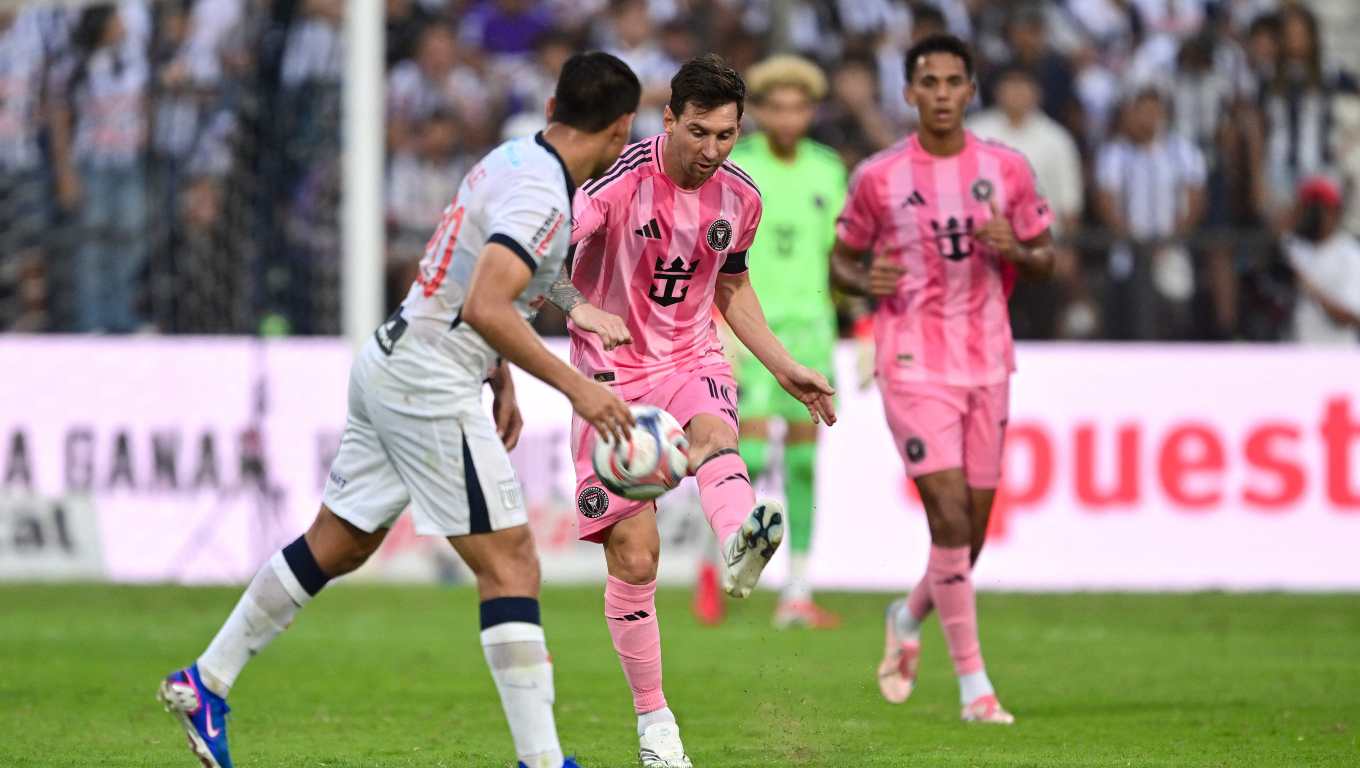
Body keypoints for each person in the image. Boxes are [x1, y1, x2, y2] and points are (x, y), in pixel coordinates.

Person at [156, 52, 643, 768]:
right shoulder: (545, 195)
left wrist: (502, 367)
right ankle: (543, 762)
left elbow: (476, 270)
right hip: (428, 382)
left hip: (394, 356)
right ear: (623, 128)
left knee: (342, 540)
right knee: (511, 564)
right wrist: (578, 387)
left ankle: (207, 679)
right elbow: (485, 302)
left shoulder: (511, 158)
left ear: (552, 109)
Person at [544, 54, 836, 767]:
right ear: (667, 119)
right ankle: (655, 723)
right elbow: (540, 255)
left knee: (714, 429)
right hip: (609, 378)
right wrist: (581, 306)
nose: (711, 152)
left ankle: (740, 540)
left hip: (690, 357)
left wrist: (782, 364)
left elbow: (731, 288)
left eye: (727, 136)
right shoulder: (615, 183)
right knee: (636, 558)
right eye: (699, 132)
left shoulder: (741, 198)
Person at [830, 34, 1055, 724]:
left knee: (972, 534)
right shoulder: (878, 175)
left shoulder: (1008, 169)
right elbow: (839, 261)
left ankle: (908, 614)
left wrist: (1016, 249)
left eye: (954, 81)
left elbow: (1047, 255)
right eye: (928, 82)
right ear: (909, 93)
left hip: (988, 359)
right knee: (949, 516)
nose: (942, 94)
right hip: (910, 359)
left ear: (970, 89)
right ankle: (974, 688)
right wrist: (862, 280)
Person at [694, 54, 846, 630]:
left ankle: (799, 592)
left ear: (810, 111)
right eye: (776, 106)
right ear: (761, 113)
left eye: (798, 106)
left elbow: (843, 257)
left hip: (811, 326)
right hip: (744, 324)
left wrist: (866, 323)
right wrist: (711, 318)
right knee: (749, 452)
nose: (788, 117)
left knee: (805, 462)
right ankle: (719, 564)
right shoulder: (738, 166)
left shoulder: (828, 170)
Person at [1284, 176, 1360, 344]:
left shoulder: (1350, 254)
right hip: (1297, 354)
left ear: (1334, 211)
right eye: (1307, 208)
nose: (1311, 215)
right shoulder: (1294, 247)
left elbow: (1350, 317)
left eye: (1317, 208)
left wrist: (1312, 290)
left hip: (1337, 356)